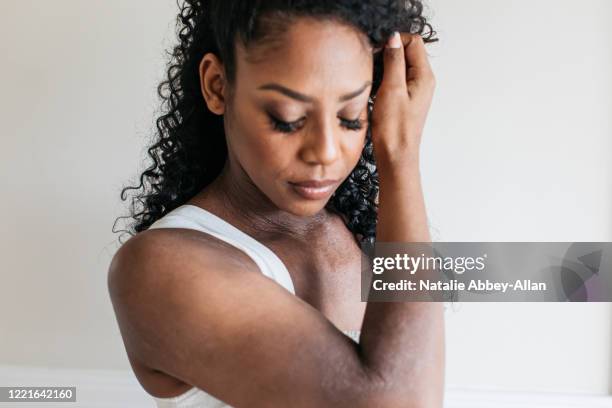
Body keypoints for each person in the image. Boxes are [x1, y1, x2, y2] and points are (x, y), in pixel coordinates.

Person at [108, 0, 445, 406]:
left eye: (351, 117)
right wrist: (400, 155)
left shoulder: (367, 233)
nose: (325, 151)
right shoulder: (159, 268)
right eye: (288, 119)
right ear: (218, 85)